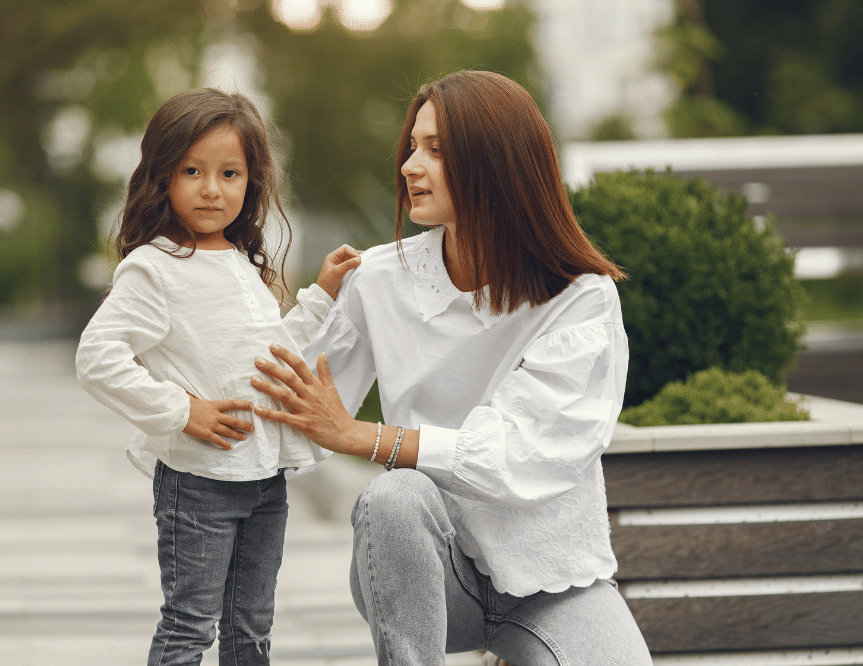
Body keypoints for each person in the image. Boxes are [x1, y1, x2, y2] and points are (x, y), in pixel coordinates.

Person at [249, 71, 653, 665]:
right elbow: (290, 409)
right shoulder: (378, 278)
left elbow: (521, 454)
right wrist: (309, 311)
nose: (411, 165)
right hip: (427, 577)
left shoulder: (581, 298)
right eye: (412, 147)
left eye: (436, 150)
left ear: (497, 163)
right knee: (395, 497)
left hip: (550, 583)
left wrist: (363, 435)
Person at [75, 88, 360, 666]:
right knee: (189, 628)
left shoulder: (236, 259)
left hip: (265, 484)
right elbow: (98, 357)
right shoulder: (154, 267)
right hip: (198, 484)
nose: (212, 188)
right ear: (162, 176)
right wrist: (185, 410)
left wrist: (323, 293)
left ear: (250, 182)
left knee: (251, 631)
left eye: (230, 173)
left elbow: (272, 354)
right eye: (192, 170)